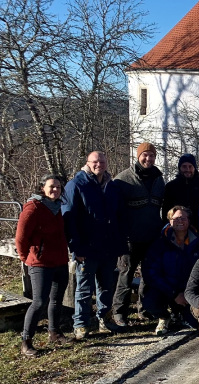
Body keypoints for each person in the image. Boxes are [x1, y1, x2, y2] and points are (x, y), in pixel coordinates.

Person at [62, 151, 123, 340]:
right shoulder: (76, 185)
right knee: (84, 288)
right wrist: (76, 247)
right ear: (88, 163)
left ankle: (104, 319)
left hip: (108, 248)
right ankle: (81, 324)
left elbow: (118, 216)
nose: (99, 165)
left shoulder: (110, 185)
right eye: (95, 162)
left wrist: (118, 244)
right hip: (86, 249)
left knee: (106, 286)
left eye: (102, 161)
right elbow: (69, 218)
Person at [112, 142, 165, 327]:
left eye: (151, 156)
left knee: (148, 276)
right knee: (125, 276)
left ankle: (144, 309)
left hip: (151, 237)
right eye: (145, 155)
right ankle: (119, 313)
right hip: (129, 238)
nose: (148, 159)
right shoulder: (123, 180)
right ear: (138, 156)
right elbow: (114, 211)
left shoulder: (159, 179)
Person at [17, 175, 70, 356]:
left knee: (56, 299)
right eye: (51, 187)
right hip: (40, 263)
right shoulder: (33, 208)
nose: (55, 190)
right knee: (39, 302)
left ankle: (54, 332)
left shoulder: (58, 207)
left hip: (60, 261)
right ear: (42, 188)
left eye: (58, 187)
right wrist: (27, 258)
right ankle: (26, 340)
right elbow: (21, 237)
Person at [143, 206, 199, 335]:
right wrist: (174, 293)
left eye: (183, 218)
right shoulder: (159, 244)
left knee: (195, 325)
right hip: (167, 289)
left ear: (189, 221)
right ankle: (164, 317)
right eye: (176, 218)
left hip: (190, 291)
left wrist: (189, 293)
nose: (180, 221)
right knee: (150, 302)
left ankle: (180, 315)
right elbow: (151, 273)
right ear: (169, 221)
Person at [162, 153, 199, 230]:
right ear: (180, 168)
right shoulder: (171, 186)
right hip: (177, 229)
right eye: (184, 166)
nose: (187, 169)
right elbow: (166, 211)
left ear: (194, 168)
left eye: (190, 166)